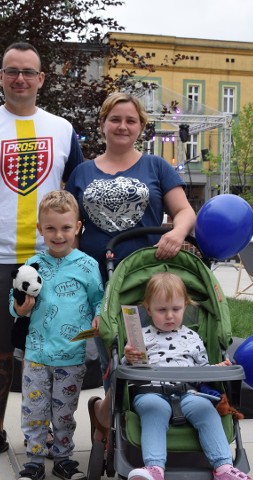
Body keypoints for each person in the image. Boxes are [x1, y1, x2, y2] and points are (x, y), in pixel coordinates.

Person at [0, 42, 85, 464]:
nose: (20, 78)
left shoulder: (63, 129)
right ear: (1, 77)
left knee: (51, 350)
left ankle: (50, 436)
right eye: (12, 71)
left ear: (42, 79)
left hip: (51, 260)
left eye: (28, 71)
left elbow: (76, 194)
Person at [64, 92, 196, 442]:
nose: (123, 126)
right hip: (97, 280)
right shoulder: (81, 172)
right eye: (115, 119)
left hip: (145, 285)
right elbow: (70, 230)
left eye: (131, 120)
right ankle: (115, 423)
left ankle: (128, 420)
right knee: (111, 352)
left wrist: (177, 233)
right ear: (103, 123)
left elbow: (184, 212)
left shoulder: (156, 167)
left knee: (140, 354)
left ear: (141, 127)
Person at [122, 272, 253, 480]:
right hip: (151, 391)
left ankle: (224, 469)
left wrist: (218, 368)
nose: (169, 316)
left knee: (206, 411)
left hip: (189, 391)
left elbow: (203, 370)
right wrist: (129, 357)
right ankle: (154, 470)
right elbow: (127, 367)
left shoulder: (192, 338)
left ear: (186, 306)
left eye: (176, 309)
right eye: (161, 310)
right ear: (148, 309)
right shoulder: (141, 337)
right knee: (154, 411)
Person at [10, 190, 103, 480]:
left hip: (71, 356)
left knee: (64, 412)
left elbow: (100, 300)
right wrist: (18, 307)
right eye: (50, 228)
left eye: (65, 228)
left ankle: (63, 458)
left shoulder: (87, 266)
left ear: (77, 227)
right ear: (40, 229)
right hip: (36, 354)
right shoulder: (31, 265)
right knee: (34, 412)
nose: (58, 235)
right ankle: (34, 461)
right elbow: (13, 302)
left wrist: (100, 316)